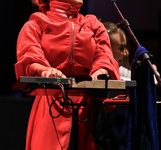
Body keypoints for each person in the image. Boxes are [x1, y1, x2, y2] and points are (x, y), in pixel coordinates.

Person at [15, 0, 120, 149]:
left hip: (87, 105)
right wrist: (45, 69)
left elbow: (105, 55)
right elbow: (29, 54)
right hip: (51, 101)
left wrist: (101, 70)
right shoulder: (37, 23)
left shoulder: (92, 23)